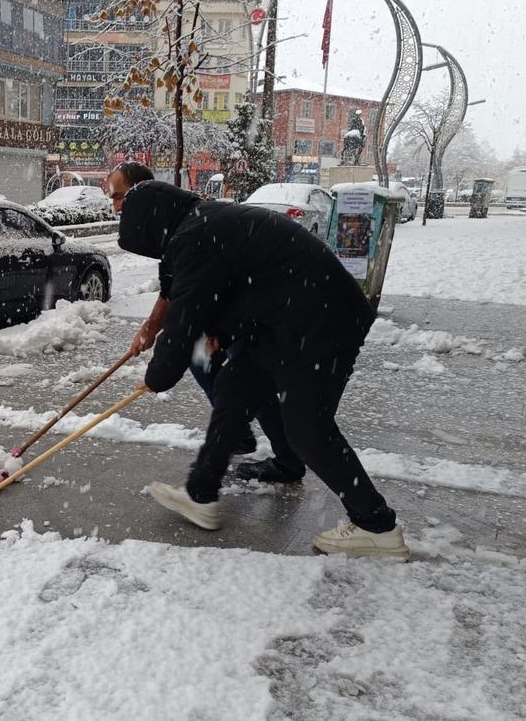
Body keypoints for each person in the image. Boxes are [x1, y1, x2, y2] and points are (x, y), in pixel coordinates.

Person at [116, 177, 408, 559]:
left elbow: (183, 321)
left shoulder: (196, 236)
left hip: (320, 322)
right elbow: (236, 285)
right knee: (234, 388)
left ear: (152, 226)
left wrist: (157, 377)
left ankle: (376, 526)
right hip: (283, 319)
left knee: (307, 428)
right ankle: (201, 494)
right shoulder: (201, 223)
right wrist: (222, 329)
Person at [107, 162, 304, 484]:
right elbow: (172, 286)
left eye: (119, 196)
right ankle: (241, 435)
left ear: (141, 193)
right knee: (204, 364)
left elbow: (189, 304)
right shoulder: (171, 222)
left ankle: (276, 460)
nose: (114, 206)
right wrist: (149, 329)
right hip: (240, 306)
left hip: (269, 307)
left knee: (247, 378)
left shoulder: (191, 225)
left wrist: (161, 370)